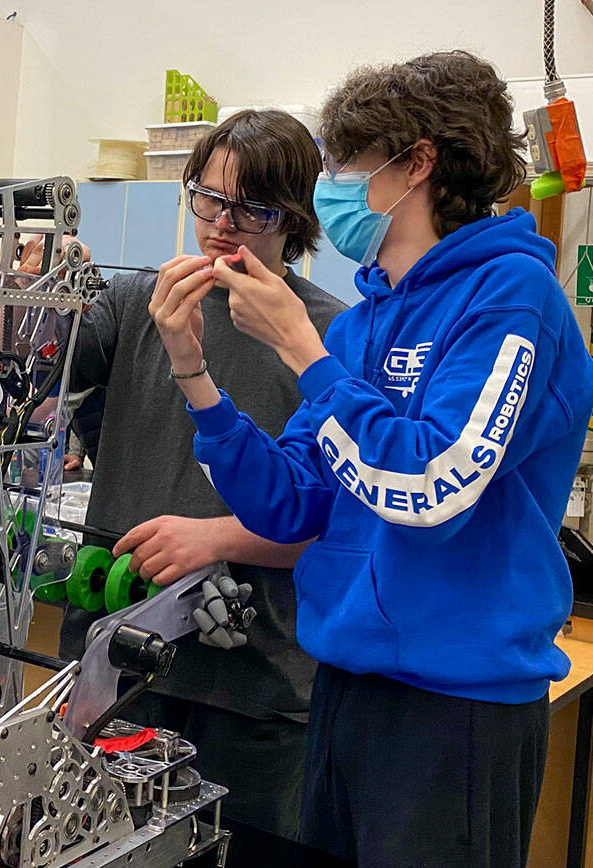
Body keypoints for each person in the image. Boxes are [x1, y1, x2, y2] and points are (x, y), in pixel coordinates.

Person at [149, 51, 593, 867]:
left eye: (346, 165)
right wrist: (194, 372)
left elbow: (431, 488)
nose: (332, 188)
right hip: (348, 687)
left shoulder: (510, 298)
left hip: (456, 707)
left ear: (416, 161)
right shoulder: (365, 321)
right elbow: (289, 504)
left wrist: (301, 351)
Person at [39, 109, 348, 865]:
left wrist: (213, 538)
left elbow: (342, 522)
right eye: (208, 199)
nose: (223, 224)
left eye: (253, 208)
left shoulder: (328, 337)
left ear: (295, 218)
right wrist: (44, 289)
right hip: (118, 668)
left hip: (256, 689)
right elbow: (30, 372)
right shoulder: (135, 304)